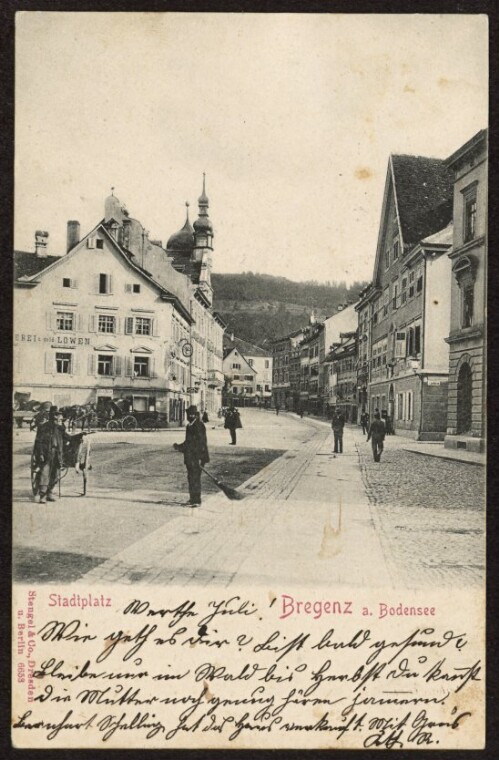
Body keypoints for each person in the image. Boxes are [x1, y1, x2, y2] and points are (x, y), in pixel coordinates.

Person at [173, 405, 209, 508]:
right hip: (190, 457)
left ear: (196, 415)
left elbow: (201, 443)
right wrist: (179, 447)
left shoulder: (199, 426)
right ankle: (192, 498)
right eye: (189, 414)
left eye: (192, 414)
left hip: (196, 457)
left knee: (195, 478)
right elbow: (188, 442)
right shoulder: (190, 425)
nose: (190, 416)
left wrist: (200, 458)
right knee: (191, 478)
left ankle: (197, 500)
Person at [33, 407, 66, 502]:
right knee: (44, 473)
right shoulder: (44, 428)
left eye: (61, 419)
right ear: (53, 418)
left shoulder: (60, 428)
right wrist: (41, 454)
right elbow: (38, 442)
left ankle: (49, 493)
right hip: (46, 454)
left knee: (55, 474)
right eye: (58, 419)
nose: (60, 421)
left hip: (57, 454)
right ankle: (42, 495)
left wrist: (79, 436)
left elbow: (67, 437)